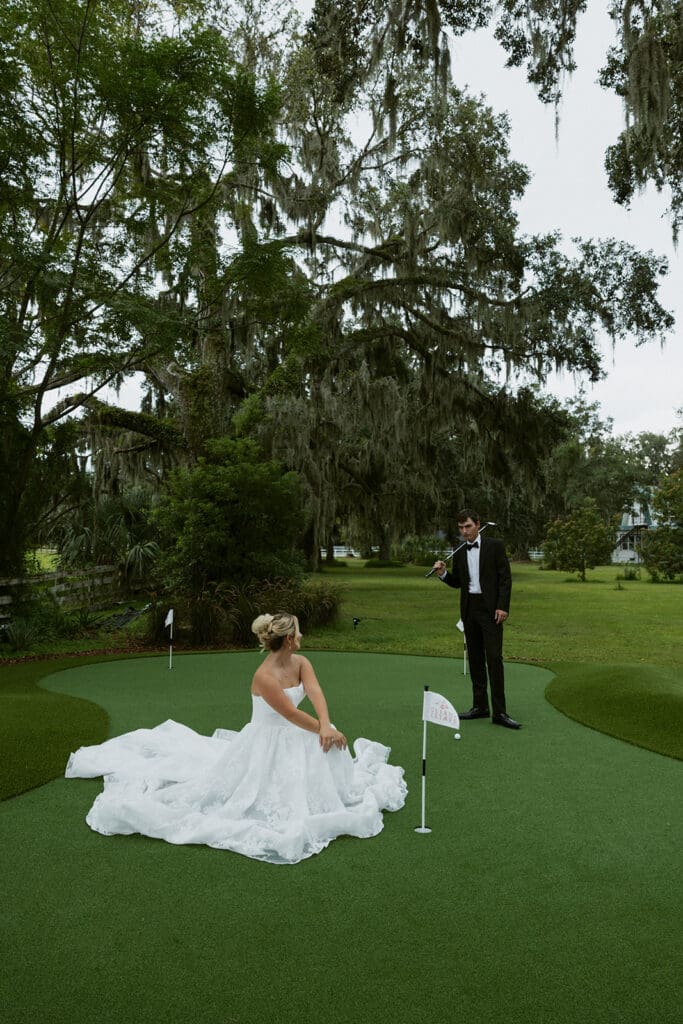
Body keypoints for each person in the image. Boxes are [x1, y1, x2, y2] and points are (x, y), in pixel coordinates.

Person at [65, 612, 407, 864]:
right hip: (268, 741)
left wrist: (327, 724)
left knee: (330, 748)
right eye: (298, 633)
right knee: (261, 790)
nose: (302, 637)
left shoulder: (302, 661)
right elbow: (288, 715)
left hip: (301, 733)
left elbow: (315, 692)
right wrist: (321, 729)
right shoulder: (265, 676)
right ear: (289, 639)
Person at [432, 509, 521, 729]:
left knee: (494, 658)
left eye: (468, 527)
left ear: (478, 525)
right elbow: (457, 582)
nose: (465, 532)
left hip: (491, 609)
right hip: (469, 608)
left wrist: (502, 606)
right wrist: (443, 574)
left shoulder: (495, 546)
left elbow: (505, 580)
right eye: (461, 528)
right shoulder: (460, 550)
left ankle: (500, 712)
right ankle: (480, 706)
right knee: (475, 659)